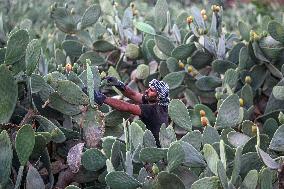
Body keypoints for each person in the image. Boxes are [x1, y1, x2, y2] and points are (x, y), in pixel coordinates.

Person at [91, 77, 170, 147]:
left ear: (158, 96)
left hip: (155, 147)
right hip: (148, 140)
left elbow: (127, 107)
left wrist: (102, 99)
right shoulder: (153, 100)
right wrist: (119, 84)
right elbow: (133, 94)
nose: (147, 91)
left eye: (151, 90)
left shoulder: (153, 111)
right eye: (149, 88)